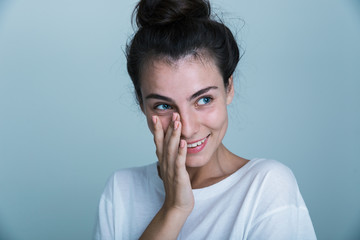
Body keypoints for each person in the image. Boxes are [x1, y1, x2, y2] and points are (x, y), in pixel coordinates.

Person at [94, 0, 317, 239]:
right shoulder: (121, 190)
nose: (188, 129)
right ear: (141, 104)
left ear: (228, 87)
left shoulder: (266, 186)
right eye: (163, 106)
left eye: (204, 100)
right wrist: (174, 209)